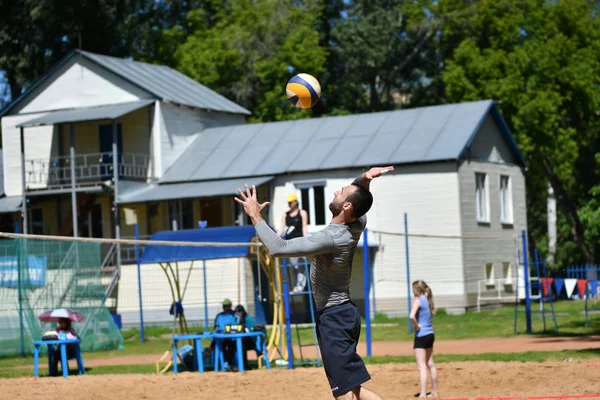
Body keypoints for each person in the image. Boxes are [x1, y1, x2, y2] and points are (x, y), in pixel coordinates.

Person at [235, 166, 394, 400]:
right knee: (353, 389)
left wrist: (255, 216)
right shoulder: (358, 222)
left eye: (340, 192)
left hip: (335, 318)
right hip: (343, 314)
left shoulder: (331, 237)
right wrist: (364, 179)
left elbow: (278, 248)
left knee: (343, 393)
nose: (335, 193)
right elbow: (358, 199)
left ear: (346, 206)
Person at [409, 280, 438, 398]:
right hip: (430, 334)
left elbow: (411, 316)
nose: (412, 291)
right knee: (430, 363)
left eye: (413, 289)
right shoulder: (427, 300)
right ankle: (435, 392)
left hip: (421, 335)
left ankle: (422, 393)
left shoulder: (418, 301)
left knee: (421, 366)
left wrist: (416, 326)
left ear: (417, 289)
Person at [276, 193, 309, 293]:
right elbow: (281, 228)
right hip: (289, 243)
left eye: (291, 202)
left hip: (299, 243)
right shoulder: (285, 214)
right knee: (294, 267)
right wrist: (275, 238)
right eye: (288, 202)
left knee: (300, 266)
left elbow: (304, 228)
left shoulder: (302, 213)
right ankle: (296, 286)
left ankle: (300, 286)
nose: (289, 204)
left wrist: (306, 241)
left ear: (295, 202)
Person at [212, 298, 238, 370]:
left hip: (231, 337)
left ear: (230, 306)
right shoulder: (219, 316)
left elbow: (237, 327)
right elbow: (216, 327)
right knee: (218, 343)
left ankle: (229, 363)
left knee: (230, 345)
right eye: (223, 306)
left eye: (226, 306)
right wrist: (217, 330)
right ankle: (222, 363)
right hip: (220, 337)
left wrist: (227, 330)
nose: (224, 307)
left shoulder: (234, 315)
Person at [235, 304, 257, 370]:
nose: (238, 313)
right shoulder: (237, 319)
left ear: (242, 311)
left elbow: (253, 330)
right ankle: (233, 364)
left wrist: (248, 330)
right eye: (236, 312)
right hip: (242, 339)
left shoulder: (248, 318)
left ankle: (244, 365)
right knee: (232, 344)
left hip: (251, 340)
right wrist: (237, 320)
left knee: (242, 345)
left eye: (239, 311)